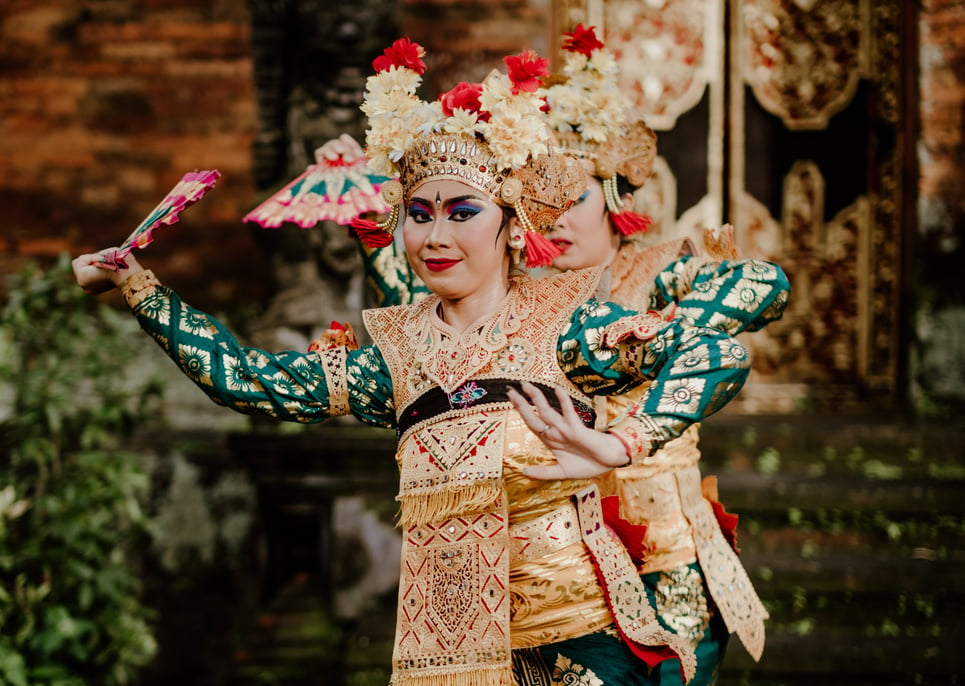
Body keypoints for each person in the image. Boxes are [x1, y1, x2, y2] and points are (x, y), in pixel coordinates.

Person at [74, 38, 784, 686]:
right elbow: (248, 381)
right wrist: (140, 287)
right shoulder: (394, 356)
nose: (435, 236)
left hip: (580, 652)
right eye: (419, 213)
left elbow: (712, 353)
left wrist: (614, 441)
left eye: (462, 212)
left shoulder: (568, 331)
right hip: (449, 663)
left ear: (512, 226)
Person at [329, 26, 786, 686]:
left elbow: (762, 286)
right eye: (539, 204)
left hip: (661, 552)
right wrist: (366, 211)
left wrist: (641, 333)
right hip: (561, 569)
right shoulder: (529, 302)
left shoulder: (657, 273)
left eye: (573, 199)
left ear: (615, 197)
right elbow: (420, 312)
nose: (555, 219)